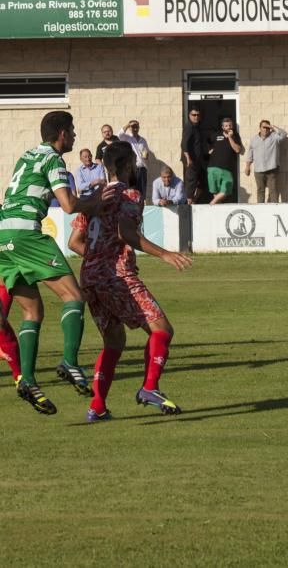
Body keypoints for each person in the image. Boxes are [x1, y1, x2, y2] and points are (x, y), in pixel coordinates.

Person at [68, 141, 192, 421]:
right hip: (118, 276)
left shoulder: (94, 195)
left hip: (90, 278)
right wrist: (164, 254)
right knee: (162, 330)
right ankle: (149, 387)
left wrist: (99, 257)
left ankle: (97, 407)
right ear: (125, 166)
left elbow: (74, 242)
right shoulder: (131, 195)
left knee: (114, 342)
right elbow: (127, 233)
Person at [0, 111, 111, 414]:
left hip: (3, 236)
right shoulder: (53, 159)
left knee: (32, 311)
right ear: (62, 133)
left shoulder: (27, 156)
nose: (74, 136)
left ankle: (28, 380)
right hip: (25, 234)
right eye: (72, 131)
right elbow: (69, 204)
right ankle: (70, 362)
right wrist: (97, 204)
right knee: (73, 296)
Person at [245, 119, 287, 203]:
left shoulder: (275, 137)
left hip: (272, 168)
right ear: (259, 128)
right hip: (258, 170)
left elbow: (284, 134)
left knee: (273, 190)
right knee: (260, 190)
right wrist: (247, 166)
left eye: (267, 127)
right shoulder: (254, 139)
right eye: (263, 127)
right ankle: (261, 209)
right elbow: (250, 153)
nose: (265, 129)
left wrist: (272, 127)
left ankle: (274, 209)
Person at [207, 116, 244, 205]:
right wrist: (209, 150)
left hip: (226, 168)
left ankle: (211, 204)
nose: (228, 127)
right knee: (215, 192)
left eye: (230, 125)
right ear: (222, 127)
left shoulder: (235, 136)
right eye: (226, 126)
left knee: (227, 189)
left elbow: (237, 150)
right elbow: (207, 142)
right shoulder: (216, 135)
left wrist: (230, 137)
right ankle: (217, 211)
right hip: (213, 167)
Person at [118, 119, 151, 200]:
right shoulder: (127, 138)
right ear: (129, 128)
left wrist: (146, 156)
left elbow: (146, 152)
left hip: (142, 167)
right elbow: (119, 135)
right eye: (133, 127)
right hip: (131, 169)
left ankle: (141, 208)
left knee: (142, 192)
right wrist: (128, 124)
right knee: (131, 191)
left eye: (136, 127)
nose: (135, 129)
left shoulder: (143, 140)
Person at [181, 107, 208, 204]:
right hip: (191, 160)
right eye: (194, 115)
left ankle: (193, 201)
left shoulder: (197, 127)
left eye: (198, 115)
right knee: (191, 183)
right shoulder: (189, 127)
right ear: (189, 116)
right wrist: (188, 158)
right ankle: (189, 204)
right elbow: (184, 144)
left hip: (199, 160)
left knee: (203, 182)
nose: (196, 117)